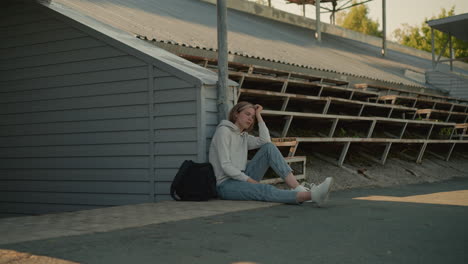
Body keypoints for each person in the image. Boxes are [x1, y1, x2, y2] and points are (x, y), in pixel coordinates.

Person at [209, 101, 333, 206]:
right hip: (226, 185)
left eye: (252, 117)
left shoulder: (244, 136)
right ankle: (311, 195)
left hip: (242, 177)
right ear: (236, 114)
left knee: (269, 147)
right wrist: (250, 181)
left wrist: (259, 115)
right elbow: (225, 166)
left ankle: (297, 187)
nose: (250, 119)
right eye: (247, 114)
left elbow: (265, 141)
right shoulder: (223, 132)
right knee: (263, 189)